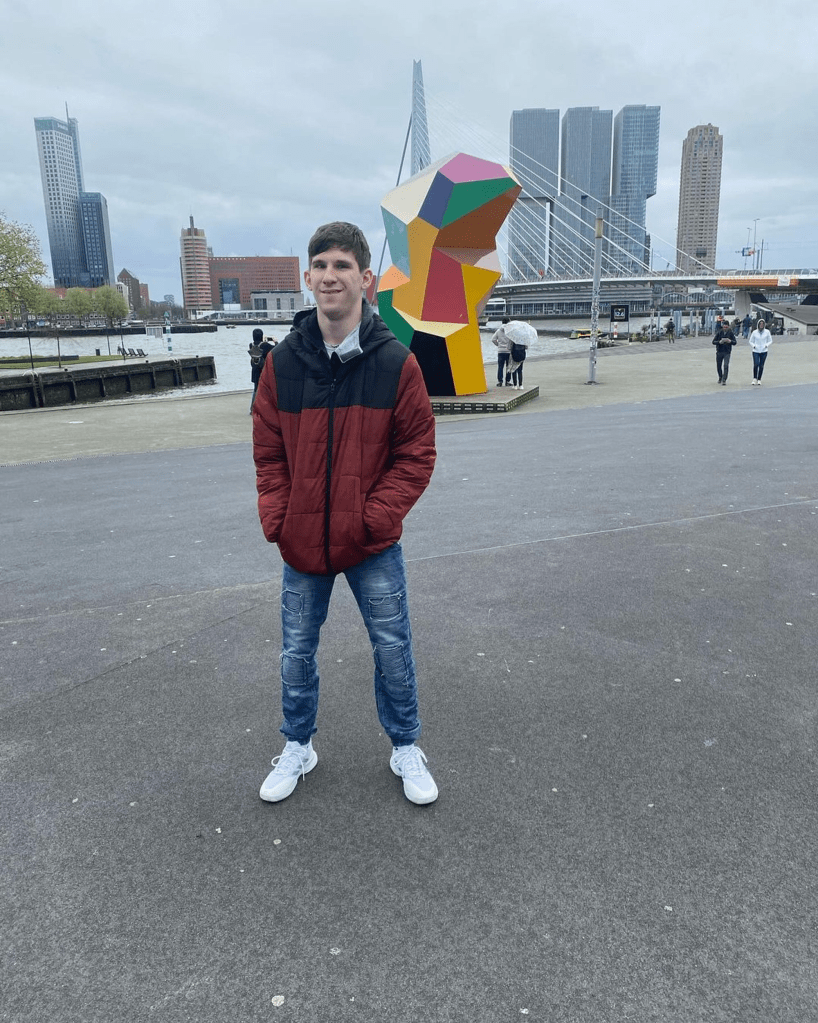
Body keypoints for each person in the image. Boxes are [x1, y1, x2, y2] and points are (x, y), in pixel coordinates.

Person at [252, 222, 438, 805]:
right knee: (295, 653)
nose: (329, 276)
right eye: (320, 266)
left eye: (341, 265)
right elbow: (268, 453)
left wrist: (374, 518)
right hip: (302, 537)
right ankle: (297, 745)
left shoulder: (397, 364)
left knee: (392, 648)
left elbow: (416, 453)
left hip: (370, 540)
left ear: (366, 279)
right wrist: (280, 518)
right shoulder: (282, 364)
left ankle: (405, 745)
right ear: (308, 278)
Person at [249, 328, 275, 410]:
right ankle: (263, 407)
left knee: (256, 389)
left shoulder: (251, 345)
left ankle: (253, 408)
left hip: (255, 370)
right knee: (266, 389)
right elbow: (276, 349)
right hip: (263, 370)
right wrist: (275, 341)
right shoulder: (266, 346)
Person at [748, 318, 773, 385]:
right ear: (758, 325)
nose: (761, 325)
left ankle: (759, 379)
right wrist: (754, 346)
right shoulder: (754, 332)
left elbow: (770, 340)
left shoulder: (767, 332)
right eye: (760, 324)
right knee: (756, 364)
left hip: (764, 351)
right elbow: (750, 341)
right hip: (756, 351)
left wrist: (766, 345)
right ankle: (754, 378)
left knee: (761, 365)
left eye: (762, 324)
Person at [712, 320, 737, 385]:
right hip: (719, 351)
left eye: (726, 326)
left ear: (728, 326)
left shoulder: (730, 333)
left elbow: (735, 342)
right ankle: (720, 377)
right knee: (719, 366)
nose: (725, 327)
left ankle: (724, 379)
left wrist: (730, 341)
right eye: (724, 326)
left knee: (726, 365)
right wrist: (719, 342)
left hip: (727, 352)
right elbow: (713, 342)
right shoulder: (719, 332)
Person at [491, 316, 512, 386]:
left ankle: (500, 381)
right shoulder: (510, 331)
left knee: (500, 367)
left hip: (501, 351)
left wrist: (498, 345)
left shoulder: (498, 331)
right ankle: (507, 381)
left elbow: (493, 339)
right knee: (508, 367)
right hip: (508, 351)